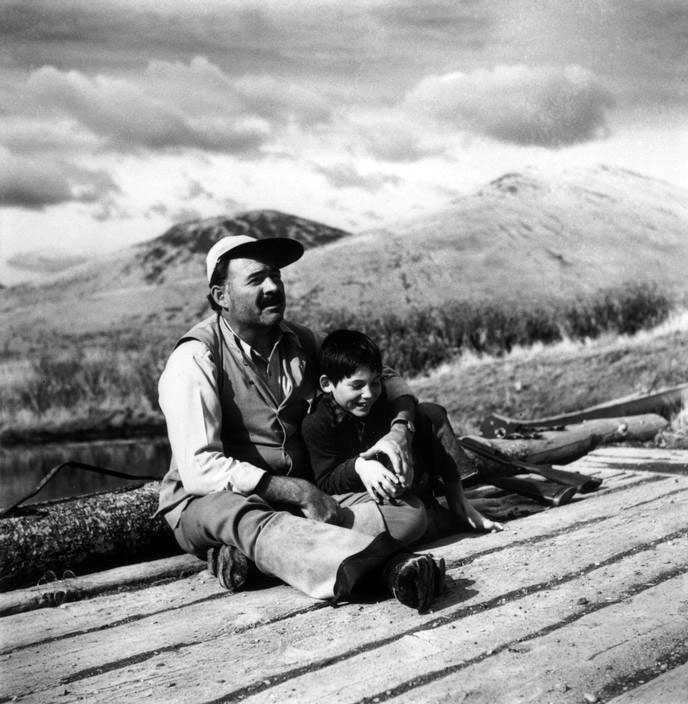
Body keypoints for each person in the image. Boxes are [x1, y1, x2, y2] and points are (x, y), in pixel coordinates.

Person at [156, 233, 445, 612]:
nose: (274, 287)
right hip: (215, 500)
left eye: (276, 276)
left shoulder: (300, 341)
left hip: (298, 498)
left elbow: (383, 375)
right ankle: (386, 570)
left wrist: (401, 429)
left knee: (407, 511)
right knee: (238, 515)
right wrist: (299, 493)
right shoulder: (195, 358)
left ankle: (259, 560)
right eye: (256, 279)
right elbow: (200, 469)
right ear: (221, 296)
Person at [301, 329, 504, 540]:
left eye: (375, 382)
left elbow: (422, 426)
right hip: (372, 495)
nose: (369, 394)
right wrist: (358, 467)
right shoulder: (317, 424)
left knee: (431, 412)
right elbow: (326, 481)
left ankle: (459, 504)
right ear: (326, 384)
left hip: (412, 483)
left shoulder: (382, 401)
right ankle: (443, 517)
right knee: (417, 520)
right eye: (357, 386)